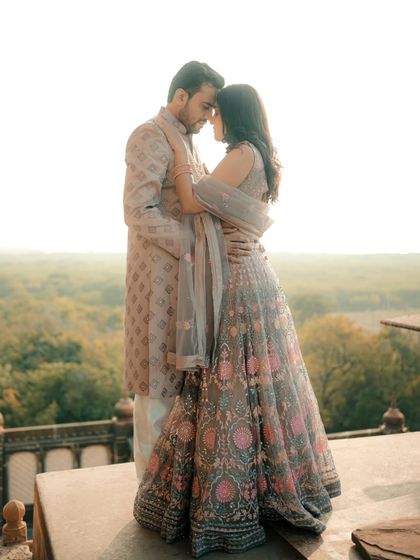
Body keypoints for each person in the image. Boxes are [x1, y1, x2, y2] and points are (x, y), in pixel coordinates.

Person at [133, 84, 341, 557]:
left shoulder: (243, 152)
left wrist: (180, 156)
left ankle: (232, 500)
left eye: (217, 112)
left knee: (228, 384)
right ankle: (261, 489)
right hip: (251, 272)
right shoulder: (258, 154)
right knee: (254, 386)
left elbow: (192, 201)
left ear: (233, 114)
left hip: (241, 281)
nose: (213, 121)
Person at [123, 61, 227, 483]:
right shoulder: (150, 134)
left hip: (186, 284)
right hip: (158, 282)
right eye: (204, 106)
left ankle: (170, 497)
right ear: (180, 96)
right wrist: (193, 246)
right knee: (156, 393)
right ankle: (148, 500)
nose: (207, 117)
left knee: (180, 390)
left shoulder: (185, 141)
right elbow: (137, 210)